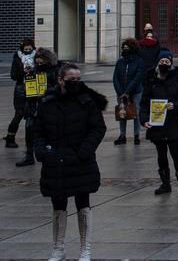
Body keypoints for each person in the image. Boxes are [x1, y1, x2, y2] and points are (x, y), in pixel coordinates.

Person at [31, 62, 105, 261]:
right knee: (58, 205)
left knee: (83, 204)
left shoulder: (87, 101)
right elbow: (38, 131)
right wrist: (42, 152)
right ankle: (58, 248)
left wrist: (84, 151)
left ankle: (85, 250)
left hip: (81, 161)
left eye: (79, 79)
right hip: (55, 161)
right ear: (60, 80)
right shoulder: (47, 102)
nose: (76, 83)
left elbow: (98, 128)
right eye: (72, 80)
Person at [141, 49, 178, 197]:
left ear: (171, 63)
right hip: (157, 124)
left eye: (167, 62)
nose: (164, 64)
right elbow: (144, 103)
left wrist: (176, 105)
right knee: (161, 155)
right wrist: (144, 120)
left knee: (176, 154)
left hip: (173, 123)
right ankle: (165, 183)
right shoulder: (151, 80)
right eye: (162, 61)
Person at [15, 47, 57, 167]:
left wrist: (47, 92)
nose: (39, 64)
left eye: (41, 62)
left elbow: (58, 88)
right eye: (37, 62)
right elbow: (25, 88)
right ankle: (29, 155)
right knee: (29, 131)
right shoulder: (33, 71)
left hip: (48, 106)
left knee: (49, 132)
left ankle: (50, 154)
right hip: (33, 106)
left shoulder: (53, 71)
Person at [112, 37, 145, 145]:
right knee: (122, 112)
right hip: (121, 92)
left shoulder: (139, 61)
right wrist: (121, 92)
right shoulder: (120, 62)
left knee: (136, 113)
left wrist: (128, 91)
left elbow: (138, 77)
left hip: (135, 91)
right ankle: (122, 135)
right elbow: (115, 77)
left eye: (127, 47)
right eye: (124, 48)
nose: (125, 49)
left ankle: (136, 135)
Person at [6, 37, 35, 149]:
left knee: (34, 113)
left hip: (33, 88)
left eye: (30, 48)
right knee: (19, 114)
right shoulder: (17, 59)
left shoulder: (37, 57)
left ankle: (35, 138)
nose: (28, 50)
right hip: (21, 90)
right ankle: (10, 138)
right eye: (25, 49)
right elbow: (13, 76)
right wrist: (23, 72)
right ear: (22, 48)